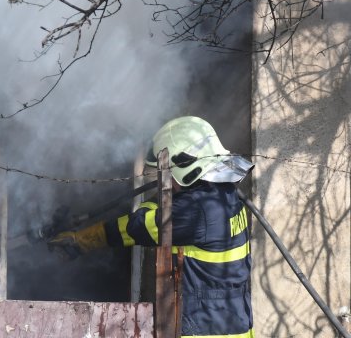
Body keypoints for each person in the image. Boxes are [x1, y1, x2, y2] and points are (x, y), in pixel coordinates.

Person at [48, 116, 255, 338]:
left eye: (167, 171)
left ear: (186, 166)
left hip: (204, 328)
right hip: (235, 323)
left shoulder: (194, 210)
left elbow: (138, 226)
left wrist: (83, 240)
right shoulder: (225, 195)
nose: (165, 178)